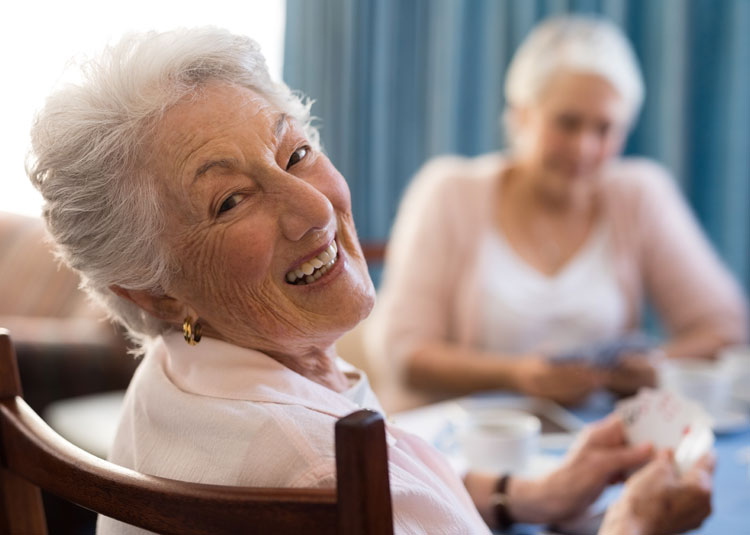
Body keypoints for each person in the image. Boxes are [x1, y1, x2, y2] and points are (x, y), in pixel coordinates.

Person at [27, 27, 713, 535]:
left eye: (296, 152)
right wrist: (633, 524)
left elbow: (386, 492)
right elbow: (343, 485)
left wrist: (523, 493)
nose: (316, 208)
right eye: (231, 200)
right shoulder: (310, 466)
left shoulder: (181, 371)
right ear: (151, 291)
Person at [366, 15, 748, 410]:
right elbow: (401, 353)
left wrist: (659, 365)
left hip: (598, 441)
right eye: (567, 123)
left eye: (604, 129)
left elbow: (725, 327)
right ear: (522, 116)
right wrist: (516, 375)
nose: (584, 148)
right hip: (468, 446)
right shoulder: (448, 191)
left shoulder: (640, 194)